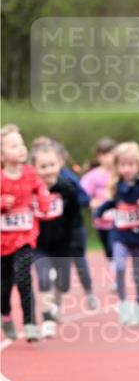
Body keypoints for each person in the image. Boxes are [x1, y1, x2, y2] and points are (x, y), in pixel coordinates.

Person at [95, 142, 139, 326]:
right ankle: (123, 305)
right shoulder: (116, 186)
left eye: (131, 165)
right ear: (117, 166)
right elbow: (111, 203)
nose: (127, 169)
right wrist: (100, 212)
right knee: (120, 267)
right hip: (120, 235)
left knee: (138, 276)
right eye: (123, 165)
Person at [1, 124, 50, 342]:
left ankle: (30, 323)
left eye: (21, 144)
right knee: (4, 285)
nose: (21, 149)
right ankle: (5, 315)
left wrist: (43, 200)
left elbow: (41, 189)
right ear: (2, 155)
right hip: (3, 240)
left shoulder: (30, 173)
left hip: (25, 236)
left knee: (24, 279)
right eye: (13, 146)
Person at [31, 139, 83, 338]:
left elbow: (75, 218)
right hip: (38, 244)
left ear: (59, 164)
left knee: (63, 284)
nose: (48, 170)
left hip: (63, 244)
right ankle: (47, 319)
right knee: (43, 277)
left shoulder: (67, 188)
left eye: (52, 165)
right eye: (42, 166)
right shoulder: (31, 191)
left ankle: (56, 307)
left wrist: (73, 243)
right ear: (34, 168)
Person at [81, 138, 117, 286]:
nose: (108, 158)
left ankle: (116, 277)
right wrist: (91, 202)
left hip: (119, 220)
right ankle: (115, 271)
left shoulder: (121, 172)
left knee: (115, 246)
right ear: (98, 157)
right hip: (102, 221)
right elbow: (82, 194)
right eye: (104, 154)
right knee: (108, 249)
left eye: (111, 154)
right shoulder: (93, 176)